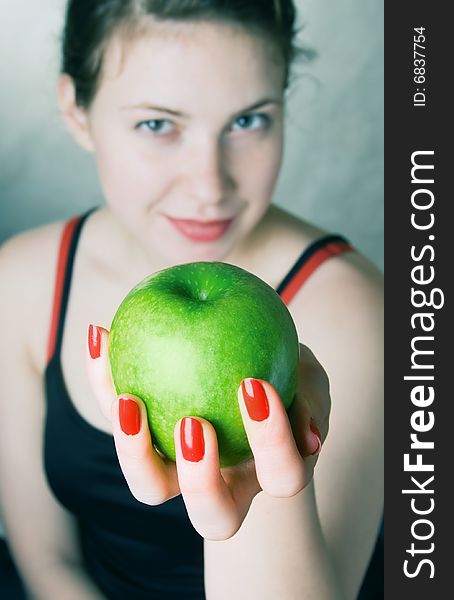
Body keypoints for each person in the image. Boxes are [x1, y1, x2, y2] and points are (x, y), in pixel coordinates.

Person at [0, 1, 383, 598]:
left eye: (249, 121)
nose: (210, 186)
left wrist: (261, 498)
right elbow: (49, 563)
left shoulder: (354, 309)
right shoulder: (24, 279)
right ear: (76, 109)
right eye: (158, 124)